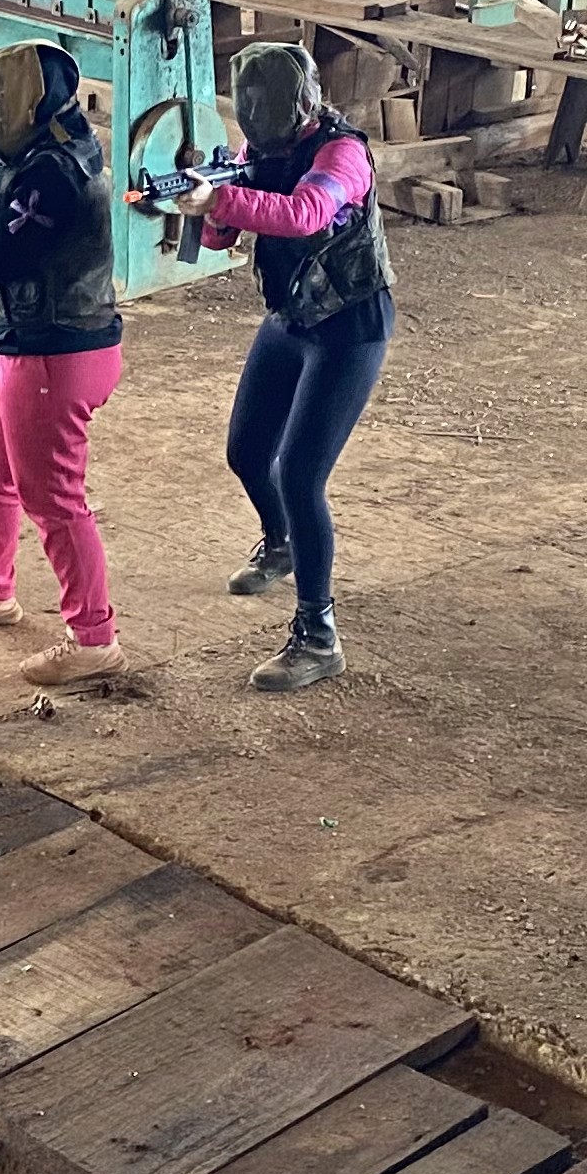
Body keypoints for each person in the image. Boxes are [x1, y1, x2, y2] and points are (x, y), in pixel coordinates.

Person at [170, 41, 393, 692]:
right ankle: (281, 543)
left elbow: (304, 214)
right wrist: (204, 201)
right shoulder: (259, 149)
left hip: (349, 324)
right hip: (292, 316)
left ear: (301, 103)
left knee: (299, 476)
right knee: (246, 452)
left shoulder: (341, 153)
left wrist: (220, 202)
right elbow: (226, 233)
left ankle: (318, 635)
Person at [0, 43, 127, 685]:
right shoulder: (30, 156)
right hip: (21, 343)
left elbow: (4, 259)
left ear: (33, 106)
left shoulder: (56, 173)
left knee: (52, 500)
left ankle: (94, 637)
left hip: (58, 352)